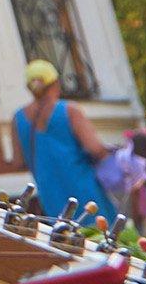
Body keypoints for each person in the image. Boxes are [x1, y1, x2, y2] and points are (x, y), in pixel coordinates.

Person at [14, 58, 115, 218]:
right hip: (83, 190)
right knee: (99, 235)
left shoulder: (18, 118)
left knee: (63, 237)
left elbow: (18, 162)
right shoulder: (70, 110)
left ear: (30, 88)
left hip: (50, 196)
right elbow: (95, 149)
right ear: (55, 83)